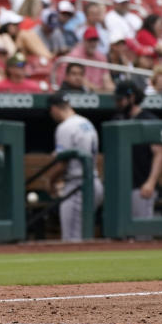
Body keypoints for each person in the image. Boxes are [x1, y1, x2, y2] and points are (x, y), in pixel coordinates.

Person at [47, 92, 104, 242]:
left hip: (78, 186)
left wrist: (51, 182)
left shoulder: (65, 127)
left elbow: (62, 164)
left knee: (72, 239)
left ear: (54, 108)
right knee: (84, 234)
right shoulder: (86, 122)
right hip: (94, 182)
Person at [114, 80, 162, 222]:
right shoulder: (118, 119)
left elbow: (159, 153)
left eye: (121, 99)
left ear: (132, 98)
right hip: (121, 187)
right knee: (120, 236)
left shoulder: (149, 119)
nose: (118, 103)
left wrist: (151, 182)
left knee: (142, 235)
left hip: (142, 186)